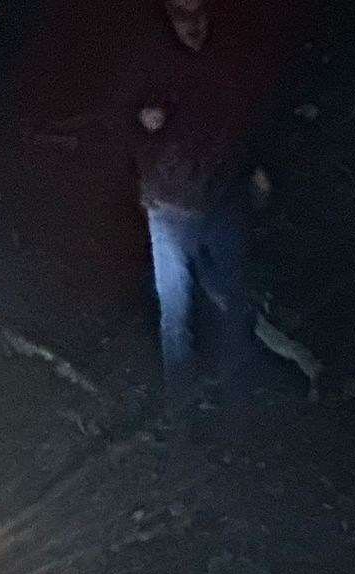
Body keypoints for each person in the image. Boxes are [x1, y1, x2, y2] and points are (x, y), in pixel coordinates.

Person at [117, 0, 298, 395]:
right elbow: (122, 123)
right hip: (169, 204)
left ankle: (236, 390)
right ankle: (179, 403)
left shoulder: (228, 57)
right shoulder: (152, 62)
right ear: (167, 14)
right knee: (175, 311)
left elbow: (247, 115)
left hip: (223, 198)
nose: (193, 24)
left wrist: (257, 168)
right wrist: (142, 133)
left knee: (232, 295)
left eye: (199, 12)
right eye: (183, 15)